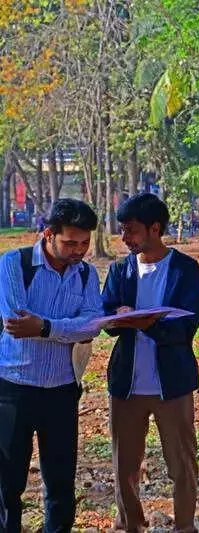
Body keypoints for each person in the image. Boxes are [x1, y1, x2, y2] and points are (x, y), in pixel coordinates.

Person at [101, 193, 199, 533]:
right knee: (124, 466)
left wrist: (147, 323)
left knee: (182, 465)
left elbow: (185, 327)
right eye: (122, 231)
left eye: (131, 230)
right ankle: (131, 525)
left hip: (171, 385)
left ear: (154, 228)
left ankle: (185, 526)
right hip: (126, 385)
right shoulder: (119, 270)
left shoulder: (185, 270)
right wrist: (117, 317)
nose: (125, 238)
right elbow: (107, 319)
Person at [0, 199, 103, 533]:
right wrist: (66, 328)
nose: (79, 250)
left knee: (60, 483)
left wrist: (45, 327)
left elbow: (91, 326)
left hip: (61, 390)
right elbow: (16, 322)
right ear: (48, 234)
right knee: (7, 483)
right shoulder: (14, 264)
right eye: (70, 242)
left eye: (84, 243)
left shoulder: (87, 274)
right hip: (12, 390)